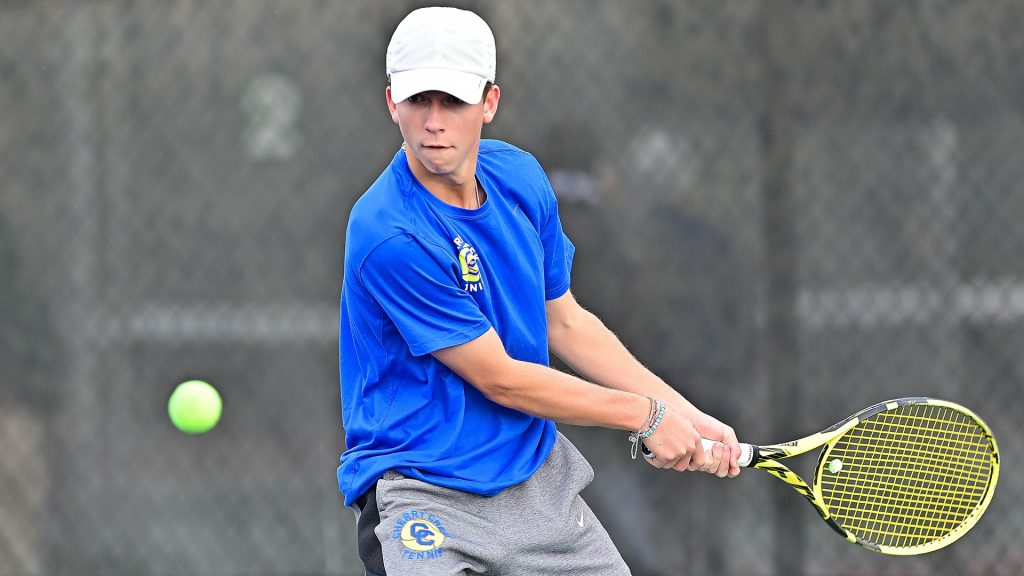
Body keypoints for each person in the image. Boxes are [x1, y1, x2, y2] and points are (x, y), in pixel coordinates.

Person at [338, 7, 741, 575]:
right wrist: (646, 417)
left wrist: (682, 412)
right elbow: (500, 378)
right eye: (417, 101)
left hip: (537, 484)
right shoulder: (388, 232)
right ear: (391, 105)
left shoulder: (521, 181)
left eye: (452, 101)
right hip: (425, 494)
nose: (433, 122)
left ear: (489, 103)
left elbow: (567, 323)